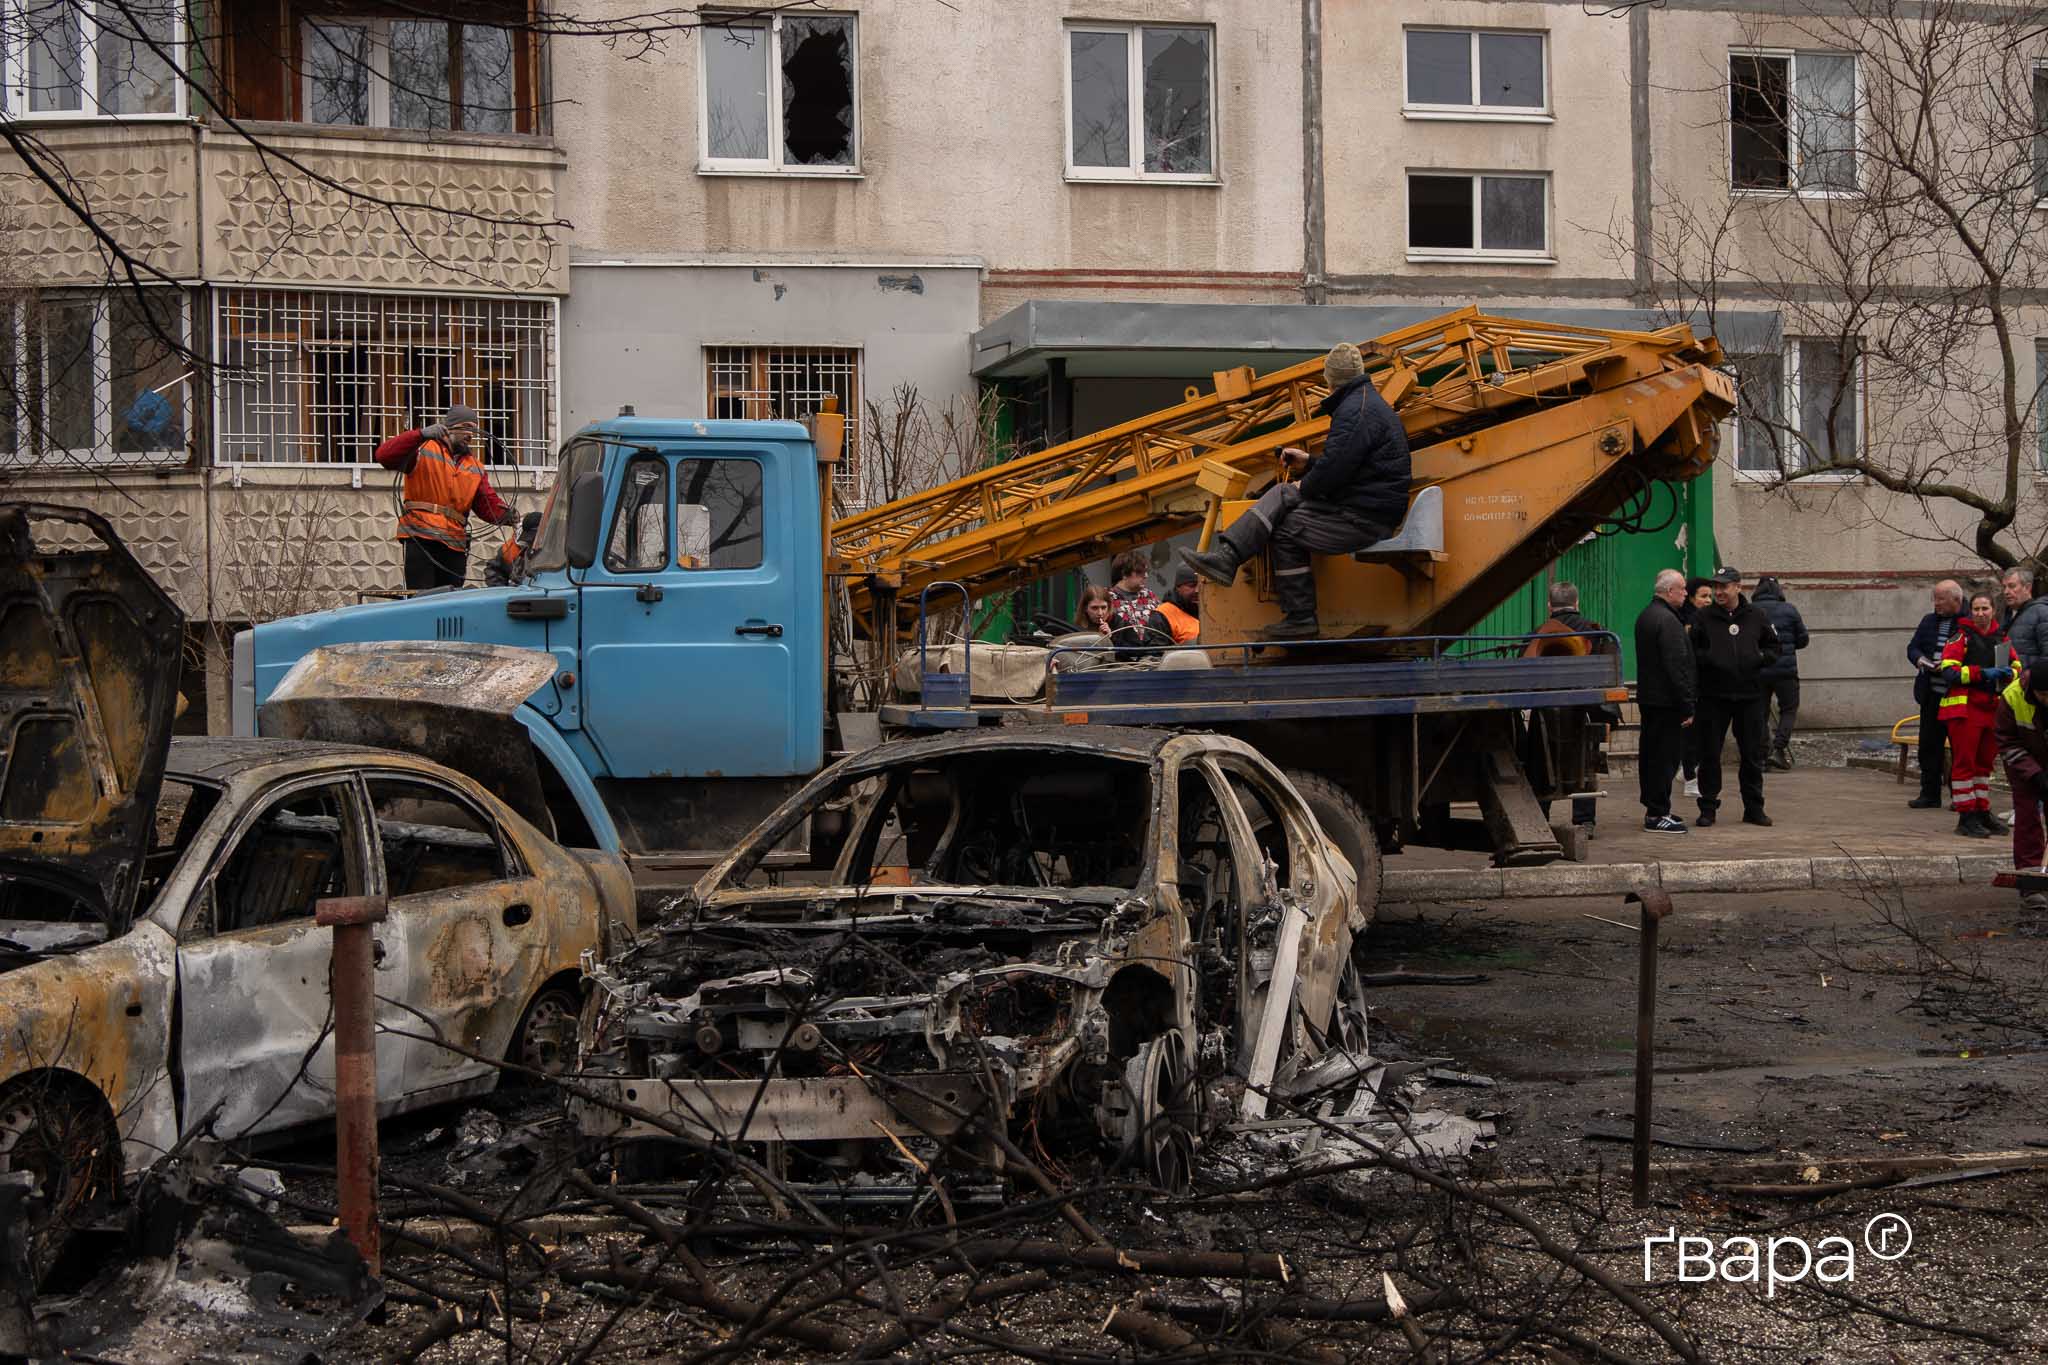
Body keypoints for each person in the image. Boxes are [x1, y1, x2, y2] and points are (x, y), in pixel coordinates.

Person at [1179, 342, 1412, 639]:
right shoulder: (1366, 403)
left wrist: (1308, 481)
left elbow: (1333, 473)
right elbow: (1349, 467)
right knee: (1285, 498)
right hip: (1366, 510)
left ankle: (1292, 610)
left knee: (1284, 517)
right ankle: (1231, 562)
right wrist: (1310, 463)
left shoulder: (1355, 411)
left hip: (1363, 518)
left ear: (1330, 379)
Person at [374, 403, 516, 591]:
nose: (470, 435)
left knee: (450, 601)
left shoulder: (475, 467)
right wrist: (420, 434)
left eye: (473, 430)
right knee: (422, 598)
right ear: (449, 427)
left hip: (455, 542)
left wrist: (508, 516)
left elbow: (486, 505)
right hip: (422, 536)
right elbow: (384, 455)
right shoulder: (422, 450)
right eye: (466, 427)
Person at [1689, 566, 1781, 827]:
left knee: (1752, 755)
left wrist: (1759, 659)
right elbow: (1692, 651)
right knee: (1709, 754)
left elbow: (1775, 646)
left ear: (1738, 587)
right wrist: (1711, 660)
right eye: (1716, 586)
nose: (1718, 591)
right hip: (1713, 696)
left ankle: (1753, 808)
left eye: (1724, 586)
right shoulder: (1703, 617)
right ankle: (1708, 808)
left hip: (1749, 696)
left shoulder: (1757, 615)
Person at [1938, 590, 2012, 838]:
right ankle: (1965, 816)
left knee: (1983, 765)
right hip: (1965, 708)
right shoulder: (1961, 636)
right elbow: (1948, 671)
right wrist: (1982, 673)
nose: (1981, 614)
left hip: (1992, 708)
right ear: (1971, 611)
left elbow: (2016, 664)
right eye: (1977, 609)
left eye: (1985, 609)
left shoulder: (2002, 637)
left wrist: (2011, 673)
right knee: (1965, 763)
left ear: (1994, 611)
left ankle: (1981, 810)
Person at [1634, 569, 1696, 834]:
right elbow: (1676, 666)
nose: (1685, 593)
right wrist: (1687, 705)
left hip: (1651, 699)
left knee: (1652, 756)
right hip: (1666, 702)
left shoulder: (1647, 615)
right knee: (1664, 758)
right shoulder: (1668, 621)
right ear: (1669, 591)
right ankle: (1657, 813)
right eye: (1682, 589)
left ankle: (1657, 808)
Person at [1993, 667, 2048, 930]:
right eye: (2042, 694)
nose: (2047, 699)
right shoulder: (2012, 696)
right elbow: (2006, 741)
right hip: (2024, 764)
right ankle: (2030, 883)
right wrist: (2036, 774)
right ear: (2032, 690)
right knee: (2027, 819)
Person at [1906, 580, 1966, 810]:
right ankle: (1929, 793)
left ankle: (1959, 796)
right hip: (1930, 693)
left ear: (1956, 600)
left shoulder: (1967, 623)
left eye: (1941, 599)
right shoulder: (1928, 621)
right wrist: (1921, 660)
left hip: (1956, 696)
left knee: (1960, 749)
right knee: (1929, 747)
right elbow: (1912, 647)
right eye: (1935, 598)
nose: (1936, 603)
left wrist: (1950, 665)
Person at [1752, 577, 1810, 771]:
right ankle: (1778, 750)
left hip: (1759, 669)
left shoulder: (1751, 611)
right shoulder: (1789, 610)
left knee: (1760, 713)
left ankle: (1761, 757)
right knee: (1788, 710)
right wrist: (1788, 645)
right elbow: (1803, 639)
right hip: (1785, 670)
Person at [1679, 577, 1714, 797]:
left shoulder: (1707, 618)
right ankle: (1690, 778)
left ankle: (1688, 771)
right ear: (1691, 597)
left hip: (1704, 684)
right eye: (1704, 596)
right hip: (1691, 684)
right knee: (1691, 735)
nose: (1708, 600)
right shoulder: (1689, 621)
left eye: (1710, 595)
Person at [2002, 566, 2047, 673]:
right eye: (2004, 587)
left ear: (2027, 587)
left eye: (2012, 586)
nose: (2006, 591)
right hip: (2008, 685)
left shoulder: (2042, 613)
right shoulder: (2006, 616)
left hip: (2031, 687)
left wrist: (2031, 675)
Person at [1144, 565, 1202, 645]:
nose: (1197, 590)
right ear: (1178, 587)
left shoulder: (1213, 610)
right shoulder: (1162, 615)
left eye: (1201, 585)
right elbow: (1155, 654)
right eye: (1192, 585)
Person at [484, 510, 543, 587]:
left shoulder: (558, 547)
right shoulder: (511, 548)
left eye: (532, 538)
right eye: (528, 539)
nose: (529, 542)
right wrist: (501, 591)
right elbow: (493, 570)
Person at [1107, 551, 1160, 636]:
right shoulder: (1106, 599)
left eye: (1146, 571)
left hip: (1152, 648)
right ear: (1124, 573)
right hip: (1120, 648)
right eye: (1140, 572)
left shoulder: (1150, 597)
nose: (1146, 575)